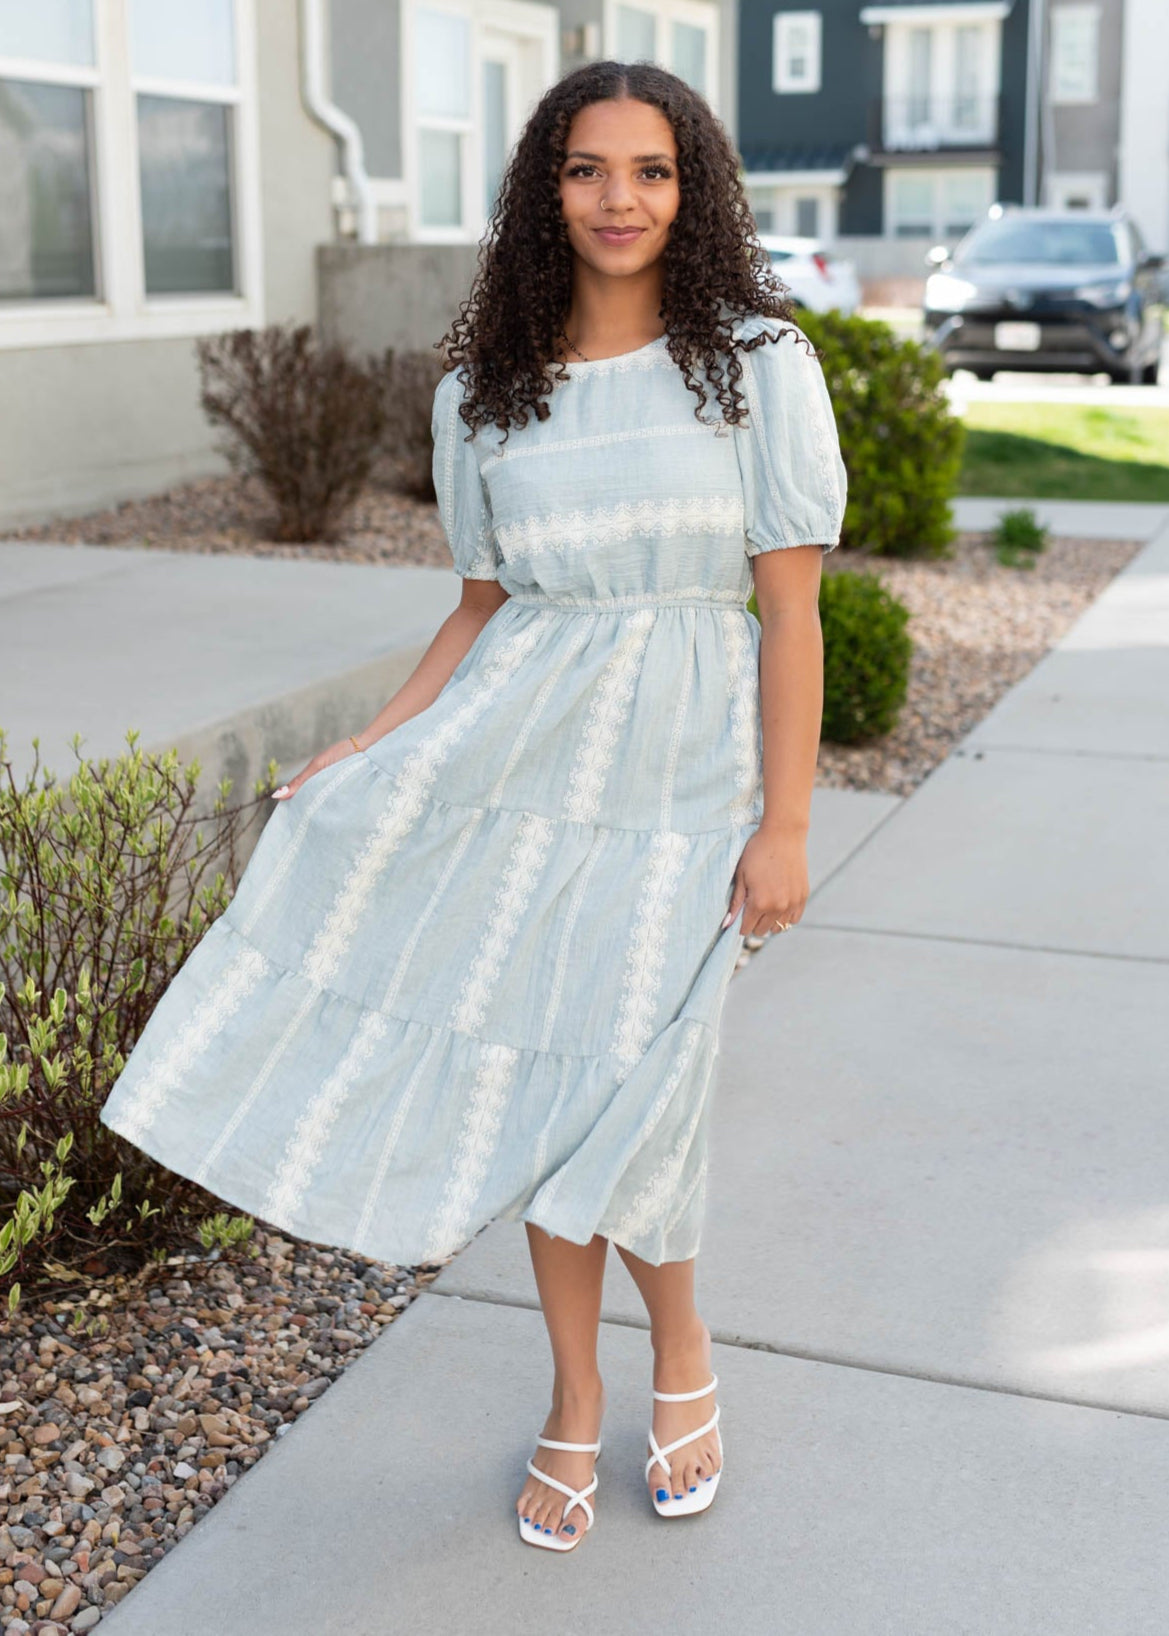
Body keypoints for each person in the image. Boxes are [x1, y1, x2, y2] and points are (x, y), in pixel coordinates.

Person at [99, 59, 846, 1554]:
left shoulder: (759, 367)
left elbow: (790, 614)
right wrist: (371, 746)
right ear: (543, 191)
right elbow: (481, 612)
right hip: (523, 774)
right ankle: (576, 1391)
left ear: (691, 189)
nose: (619, 199)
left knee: (646, 1088)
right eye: (586, 169)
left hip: (685, 788)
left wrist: (786, 824)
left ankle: (681, 1350)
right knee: (545, 1087)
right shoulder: (485, 394)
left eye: (650, 170)